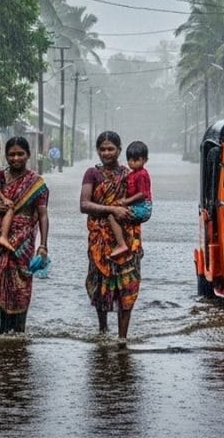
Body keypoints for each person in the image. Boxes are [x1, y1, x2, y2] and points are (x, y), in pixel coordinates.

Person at [0, 136, 50, 333]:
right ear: (5, 156)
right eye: (11, 154)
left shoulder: (36, 183)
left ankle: (17, 329)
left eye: (20, 154)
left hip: (22, 242)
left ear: (28, 155)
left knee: (19, 285)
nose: (16, 158)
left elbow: (43, 215)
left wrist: (42, 245)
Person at [80, 130, 142, 343]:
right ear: (97, 150)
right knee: (101, 286)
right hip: (100, 240)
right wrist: (111, 210)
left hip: (127, 237)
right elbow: (84, 204)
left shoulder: (129, 174)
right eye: (102, 149)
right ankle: (103, 330)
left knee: (127, 285)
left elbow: (142, 199)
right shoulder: (92, 174)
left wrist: (128, 212)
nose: (106, 153)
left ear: (119, 150)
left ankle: (122, 337)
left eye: (111, 149)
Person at [107, 140, 153, 260]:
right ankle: (135, 248)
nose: (132, 163)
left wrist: (126, 201)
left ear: (145, 160)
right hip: (137, 206)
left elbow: (143, 194)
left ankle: (122, 244)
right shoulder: (132, 174)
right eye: (130, 160)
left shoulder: (142, 174)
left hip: (143, 208)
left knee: (112, 213)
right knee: (130, 224)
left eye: (136, 160)